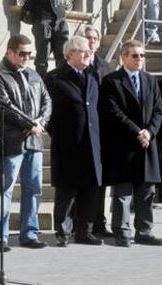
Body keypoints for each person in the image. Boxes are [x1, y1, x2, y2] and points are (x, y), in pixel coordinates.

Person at [0, 34, 51, 251]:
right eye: (22, 54)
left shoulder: (33, 75)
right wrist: (30, 123)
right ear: (10, 52)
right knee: (4, 190)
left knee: (33, 189)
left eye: (29, 54)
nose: (26, 58)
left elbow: (47, 101)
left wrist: (41, 121)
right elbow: (4, 106)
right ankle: (0, 236)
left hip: (34, 141)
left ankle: (29, 233)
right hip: (11, 142)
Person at [100, 40, 162, 247]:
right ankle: (122, 231)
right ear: (123, 57)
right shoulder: (111, 81)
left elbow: (158, 111)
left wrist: (150, 132)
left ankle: (144, 231)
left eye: (142, 55)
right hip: (124, 144)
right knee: (123, 192)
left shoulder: (151, 81)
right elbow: (112, 111)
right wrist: (138, 132)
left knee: (146, 192)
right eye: (135, 55)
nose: (140, 59)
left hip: (147, 144)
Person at [46, 36, 103, 247]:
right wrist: (59, 134)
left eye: (89, 50)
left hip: (92, 142)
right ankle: (63, 231)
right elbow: (47, 113)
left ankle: (85, 231)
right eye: (83, 51)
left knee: (90, 188)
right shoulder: (55, 78)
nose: (88, 54)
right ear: (69, 54)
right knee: (67, 189)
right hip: (67, 143)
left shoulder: (93, 75)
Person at [82, 25, 114, 238]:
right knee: (82, 180)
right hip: (83, 132)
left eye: (94, 38)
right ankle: (81, 223)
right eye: (88, 38)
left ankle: (100, 222)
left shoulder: (105, 67)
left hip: (102, 132)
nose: (91, 41)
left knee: (101, 180)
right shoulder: (77, 66)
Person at [25, 0, 71, 77]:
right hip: (42, 18)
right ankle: (42, 80)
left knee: (63, 54)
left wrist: (66, 9)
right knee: (43, 53)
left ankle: (62, 81)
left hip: (60, 18)